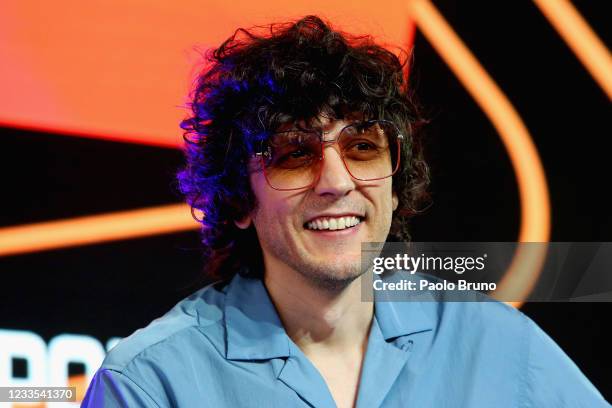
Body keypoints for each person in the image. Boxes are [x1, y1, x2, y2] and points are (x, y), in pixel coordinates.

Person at [82, 16, 609, 407]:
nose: (336, 182)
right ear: (239, 198)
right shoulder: (150, 382)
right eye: (294, 154)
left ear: (395, 185)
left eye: (362, 147)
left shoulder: (495, 342)